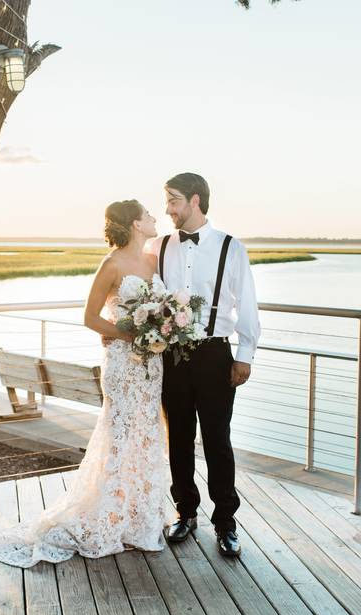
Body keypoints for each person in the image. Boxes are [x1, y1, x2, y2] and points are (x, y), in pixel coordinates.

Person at [0, 199, 171, 567]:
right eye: (148, 214)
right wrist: (126, 334)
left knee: (146, 433)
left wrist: (163, 329)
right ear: (135, 223)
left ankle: (138, 518)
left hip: (153, 364)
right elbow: (89, 317)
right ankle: (108, 517)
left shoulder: (153, 260)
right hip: (123, 363)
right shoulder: (112, 264)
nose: (154, 218)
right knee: (120, 435)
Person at [150, 172, 261, 557]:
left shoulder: (232, 247)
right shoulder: (159, 246)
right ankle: (185, 511)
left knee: (218, 440)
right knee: (177, 437)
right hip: (172, 358)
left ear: (195, 201)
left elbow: (246, 302)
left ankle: (226, 522)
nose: (168, 209)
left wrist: (244, 355)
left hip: (215, 355)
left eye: (173, 200)